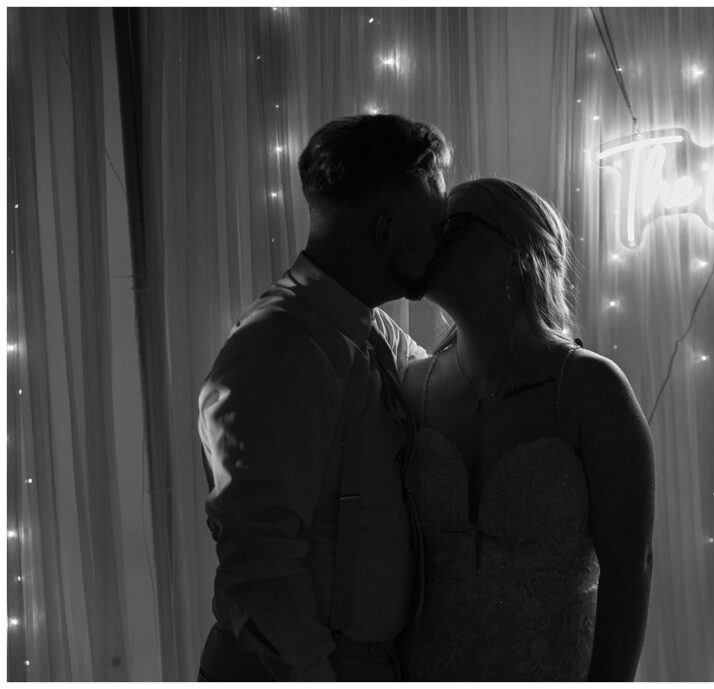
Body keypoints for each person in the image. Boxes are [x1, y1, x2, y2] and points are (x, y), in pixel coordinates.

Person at [196, 113, 451, 681]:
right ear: (386, 231)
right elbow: (259, 569)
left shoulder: (373, 333)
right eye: (435, 227)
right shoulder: (277, 349)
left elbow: (445, 392)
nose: (442, 245)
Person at [397, 178, 655, 680]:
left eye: (453, 227)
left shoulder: (589, 388)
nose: (431, 240)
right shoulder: (412, 386)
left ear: (518, 252)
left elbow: (630, 570)